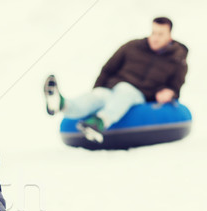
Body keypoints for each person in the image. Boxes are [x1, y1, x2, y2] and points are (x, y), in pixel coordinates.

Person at [43, 17, 188, 143]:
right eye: (153, 32)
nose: (155, 38)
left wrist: (170, 93)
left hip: (139, 95)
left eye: (160, 34)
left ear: (169, 36)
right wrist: (98, 88)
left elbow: (176, 86)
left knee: (126, 91)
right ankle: (62, 104)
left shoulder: (177, 60)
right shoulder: (132, 46)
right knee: (97, 97)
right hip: (112, 89)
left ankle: (99, 123)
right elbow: (108, 69)